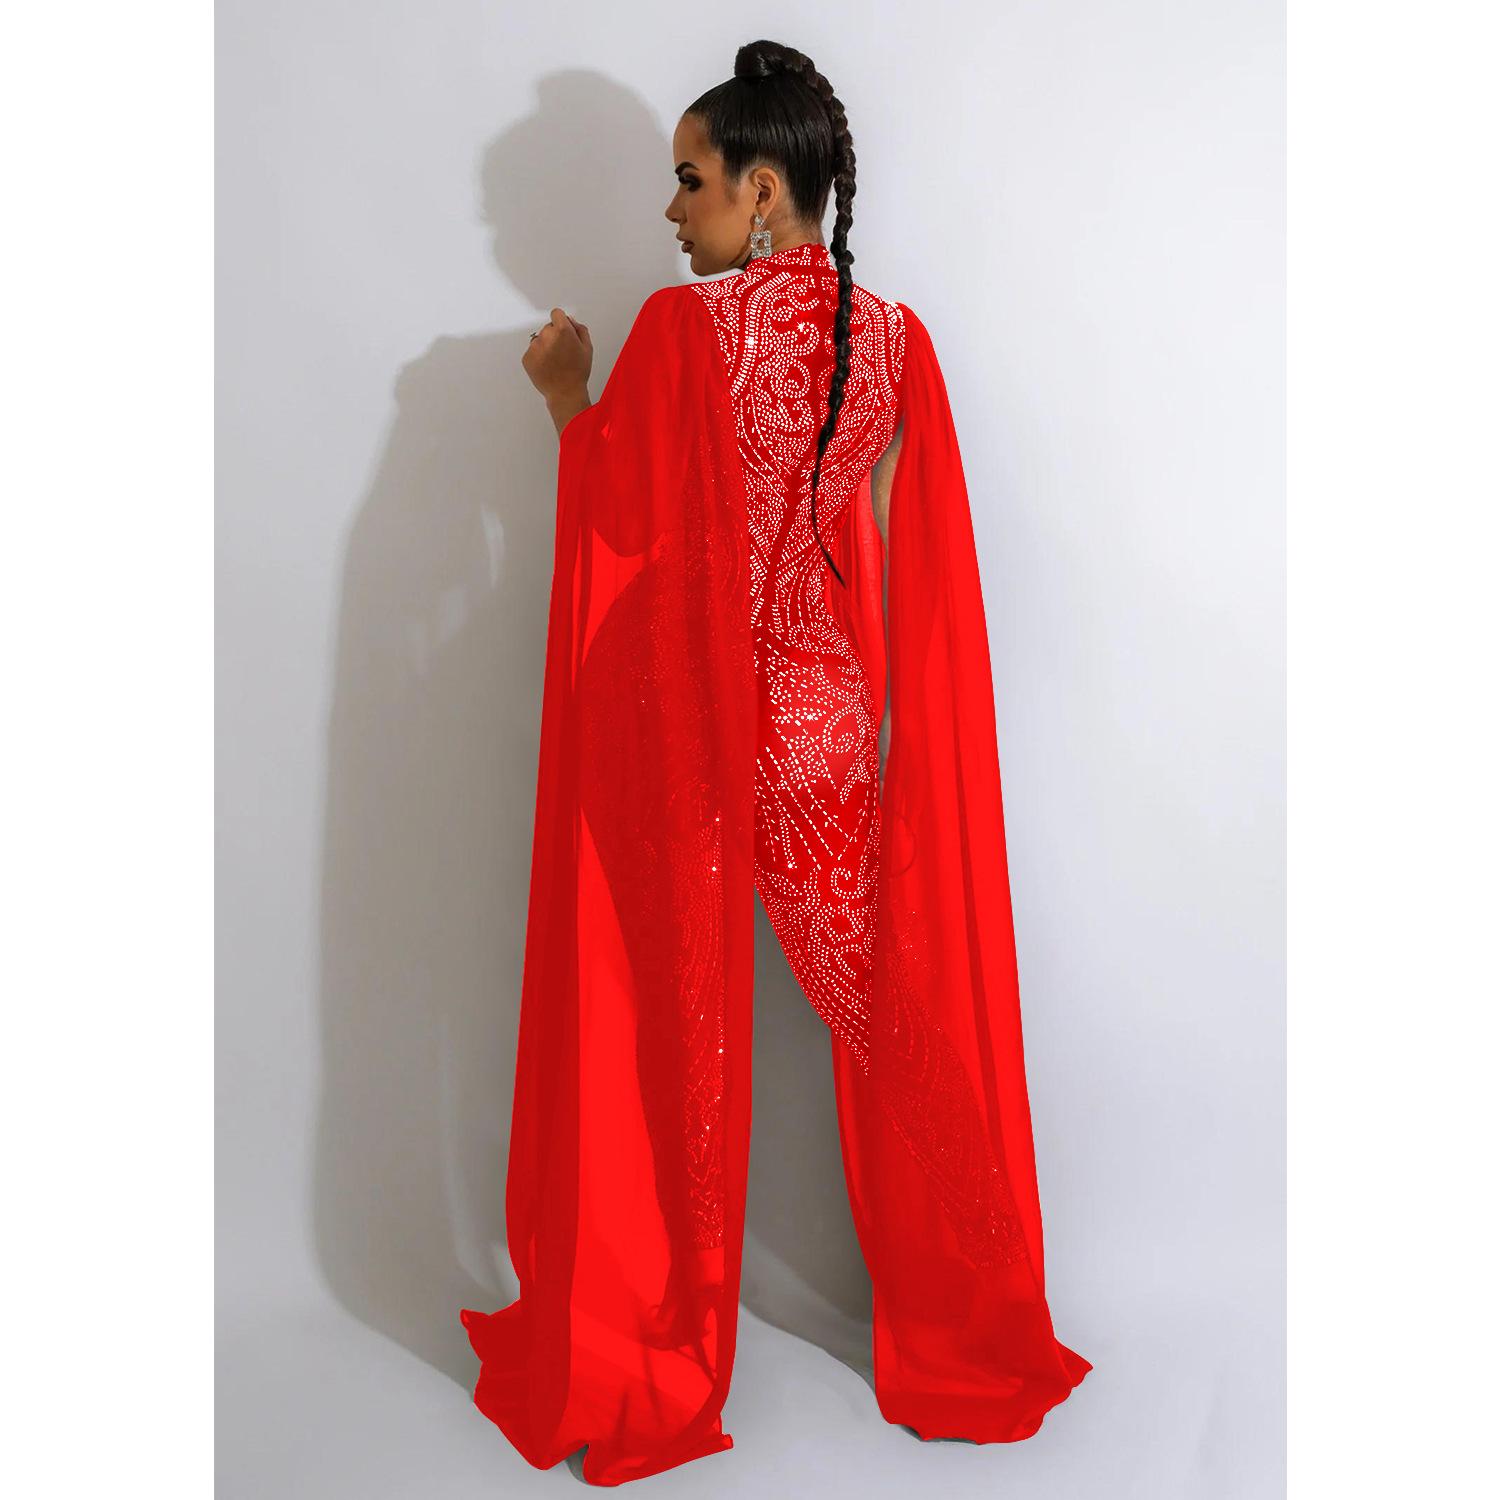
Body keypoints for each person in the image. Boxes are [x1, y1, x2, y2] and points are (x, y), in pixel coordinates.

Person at [459, 38, 1091, 1487]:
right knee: (892, 1028)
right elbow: (886, 554)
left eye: (689, 181)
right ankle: (979, 1312)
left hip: (685, 730)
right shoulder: (897, 342)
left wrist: (566, 397)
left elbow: (624, 522)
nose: (670, 211)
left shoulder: (686, 331)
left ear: (760, 188)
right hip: (822, 725)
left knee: (664, 1032)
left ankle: (652, 1338)